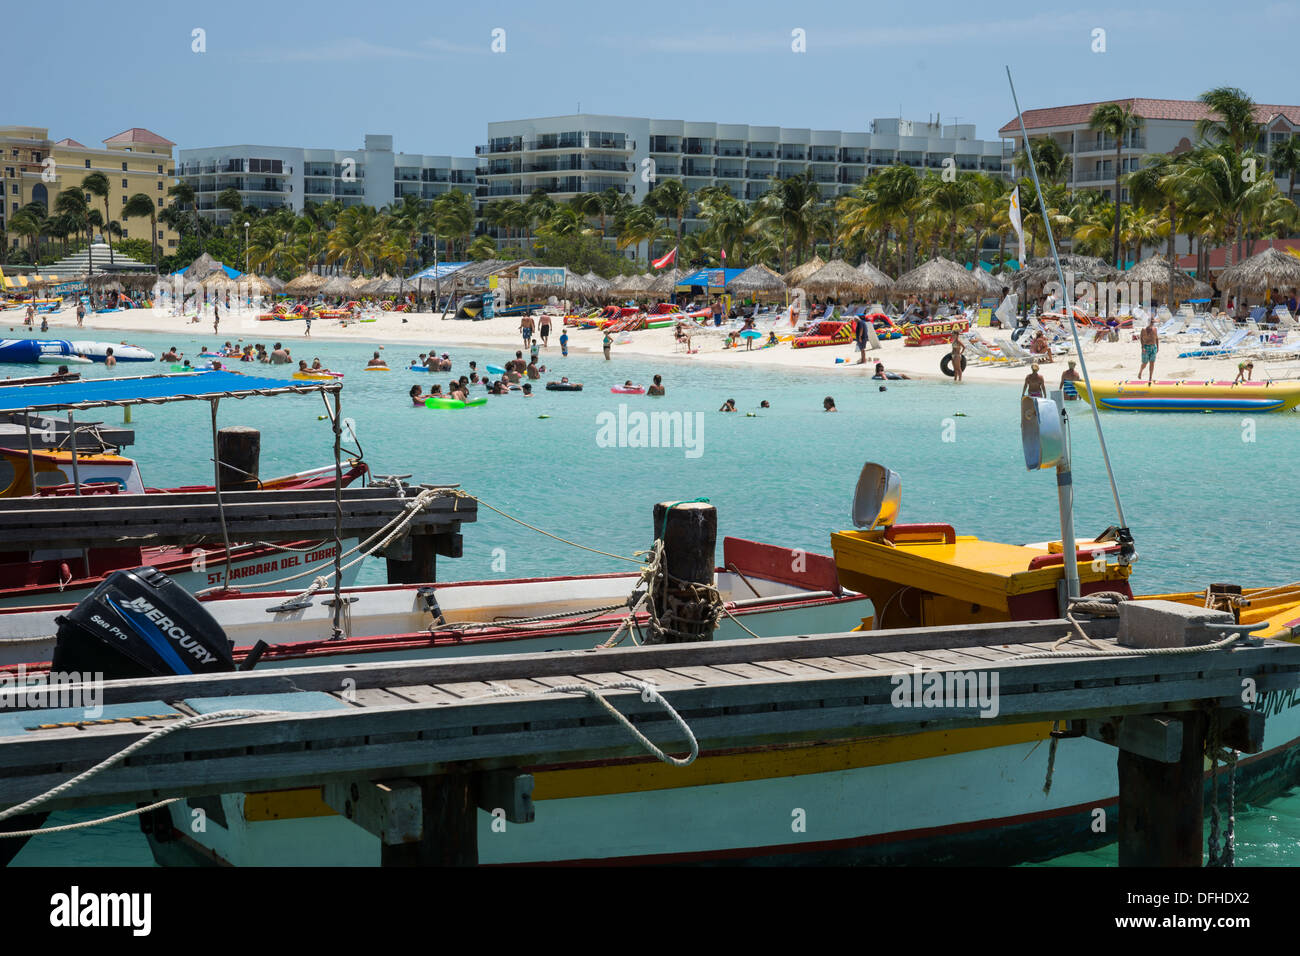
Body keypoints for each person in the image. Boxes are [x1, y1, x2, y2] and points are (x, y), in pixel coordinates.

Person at [1138, 316, 1158, 383]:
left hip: (1153, 347)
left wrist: (1157, 347)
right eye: (1152, 322)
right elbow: (1141, 339)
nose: (1153, 324)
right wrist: (1143, 347)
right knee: (1145, 363)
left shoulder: (1155, 329)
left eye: (1153, 322)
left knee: (1152, 363)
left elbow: (1157, 338)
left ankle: (1150, 377)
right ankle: (1140, 371)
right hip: (1146, 347)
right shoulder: (1143, 329)